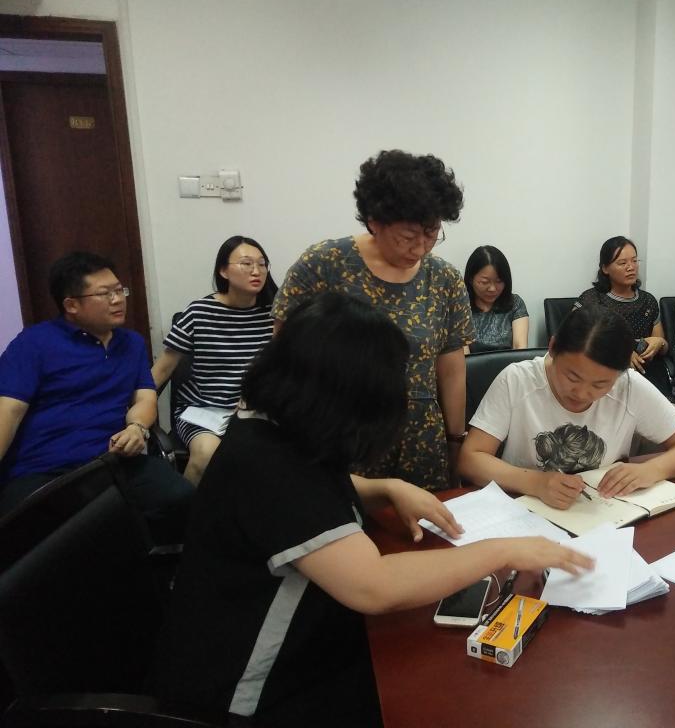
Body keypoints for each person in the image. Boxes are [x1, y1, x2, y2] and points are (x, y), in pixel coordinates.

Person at [150, 293, 592, 728]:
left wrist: (384, 488)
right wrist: (504, 550)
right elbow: (374, 586)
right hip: (252, 691)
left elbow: (318, 491)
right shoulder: (272, 468)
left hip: (305, 641)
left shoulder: (270, 426)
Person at [273, 150, 474, 491]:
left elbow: (451, 368)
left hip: (420, 439)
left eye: (431, 234)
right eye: (408, 237)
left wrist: (455, 440)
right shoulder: (325, 265)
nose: (421, 248)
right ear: (374, 221)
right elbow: (285, 355)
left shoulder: (444, 278)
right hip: (341, 433)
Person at [0, 252, 193, 543]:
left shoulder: (131, 343)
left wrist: (136, 428)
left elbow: (144, 398)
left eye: (119, 290)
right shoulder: (34, 343)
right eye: (105, 294)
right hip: (43, 469)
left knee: (180, 498)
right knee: (35, 540)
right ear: (71, 305)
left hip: (111, 461)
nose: (118, 300)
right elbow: (8, 412)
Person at [458, 305, 675, 510]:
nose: (582, 393)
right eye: (572, 377)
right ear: (553, 347)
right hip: (525, 510)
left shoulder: (629, 386)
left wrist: (651, 470)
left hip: (602, 513)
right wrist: (536, 483)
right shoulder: (517, 380)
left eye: (600, 384)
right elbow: (471, 459)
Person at [151, 236, 277, 485]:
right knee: (206, 455)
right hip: (204, 411)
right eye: (246, 263)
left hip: (255, 410)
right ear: (223, 271)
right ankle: (188, 509)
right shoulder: (199, 312)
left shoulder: (274, 315)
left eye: (262, 264)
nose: (256, 271)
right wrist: (135, 413)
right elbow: (163, 368)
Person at [573, 236, 672, 399]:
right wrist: (621, 354)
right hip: (606, 375)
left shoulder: (648, 301)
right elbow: (574, 341)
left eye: (634, 261)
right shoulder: (591, 300)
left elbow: (663, 348)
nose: (631, 267)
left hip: (648, 375)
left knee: (671, 410)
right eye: (622, 263)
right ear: (605, 268)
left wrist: (659, 342)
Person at [463, 245, 528, 353]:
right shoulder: (461, 307)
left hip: (511, 363)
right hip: (471, 364)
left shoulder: (515, 303)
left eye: (499, 281)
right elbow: (463, 356)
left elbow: (520, 348)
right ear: (471, 279)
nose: (492, 289)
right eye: (484, 282)